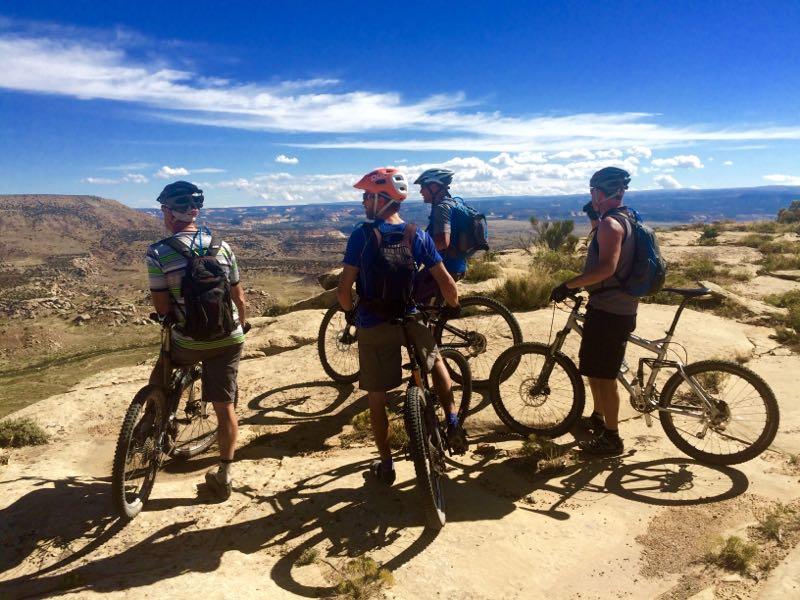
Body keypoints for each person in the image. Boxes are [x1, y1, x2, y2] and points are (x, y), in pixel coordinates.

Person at [336, 167, 464, 485]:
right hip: (411, 318)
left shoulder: (361, 235)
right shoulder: (416, 234)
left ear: (382, 199)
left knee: (377, 398)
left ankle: (387, 465)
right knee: (436, 362)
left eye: (367, 196)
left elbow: (343, 290)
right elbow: (446, 283)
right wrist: (453, 306)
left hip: (373, 323)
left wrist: (351, 313)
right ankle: (452, 421)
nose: (364, 201)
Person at [146, 181, 248, 499]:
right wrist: (241, 327)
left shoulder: (159, 252)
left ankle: (154, 420)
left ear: (170, 213)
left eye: (163, 209)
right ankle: (225, 475)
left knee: (163, 369)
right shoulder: (222, 247)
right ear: (194, 213)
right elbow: (239, 298)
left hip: (189, 340)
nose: (163, 215)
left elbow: (162, 307)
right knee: (225, 407)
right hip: (227, 337)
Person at [550, 167, 637, 456]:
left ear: (600, 192)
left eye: (592, 191)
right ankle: (599, 418)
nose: (591, 196)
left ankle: (612, 438)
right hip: (611, 306)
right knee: (597, 370)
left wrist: (568, 285)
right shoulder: (627, 218)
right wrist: (594, 217)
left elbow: (606, 268)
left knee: (606, 376)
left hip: (611, 310)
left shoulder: (611, 225)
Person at [413, 168, 467, 302]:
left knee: (410, 293)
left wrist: (418, 248)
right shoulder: (453, 202)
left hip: (446, 267)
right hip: (457, 265)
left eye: (423, 187)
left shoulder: (441, 208)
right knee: (430, 308)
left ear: (434, 186)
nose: (421, 192)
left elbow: (443, 242)